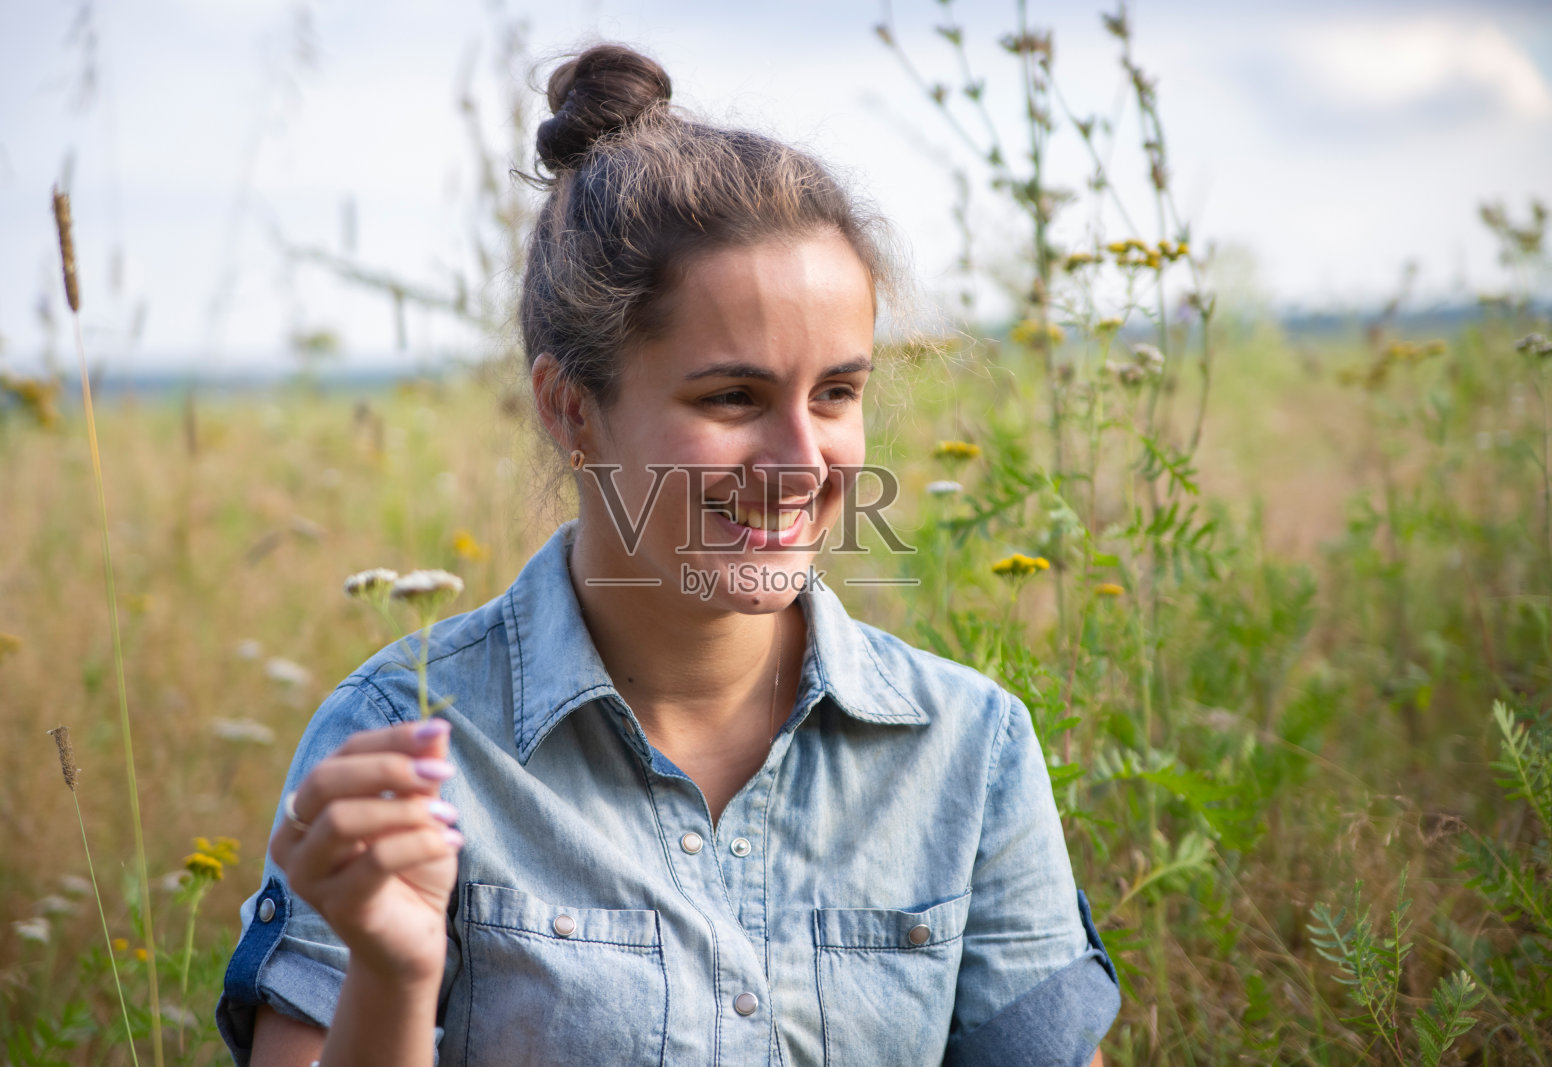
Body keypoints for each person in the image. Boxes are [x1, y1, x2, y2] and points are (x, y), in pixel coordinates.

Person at [217, 42, 1119, 1067]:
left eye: (834, 393)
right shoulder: (408, 738)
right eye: (730, 397)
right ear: (571, 409)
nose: (798, 461)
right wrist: (391, 974)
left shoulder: (968, 748)